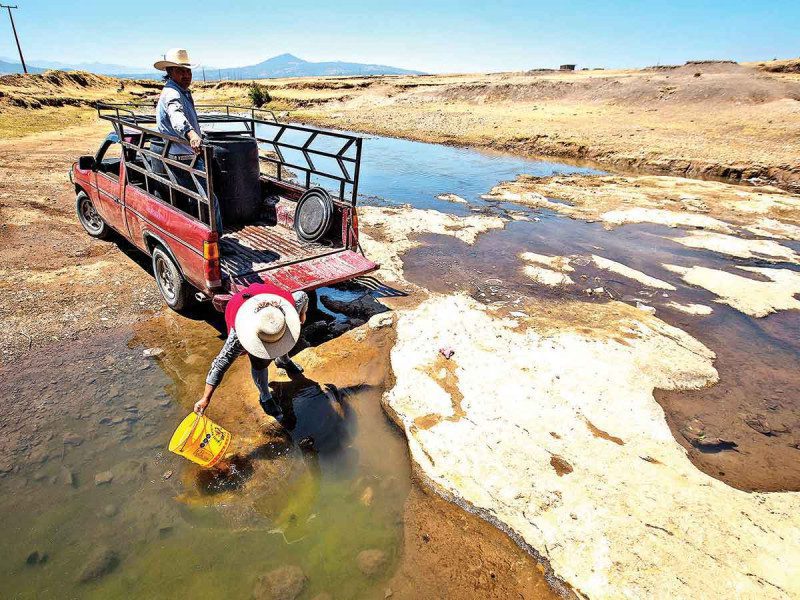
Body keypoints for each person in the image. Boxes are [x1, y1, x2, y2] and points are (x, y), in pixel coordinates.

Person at [194, 282, 309, 421]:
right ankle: (265, 396)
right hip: (240, 306)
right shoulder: (239, 337)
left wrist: (302, 314)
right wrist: (205, 398)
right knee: (259, 362)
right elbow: (220, 364)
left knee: (283, 339)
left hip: (267, 300)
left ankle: (283, 360)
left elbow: (303, 296)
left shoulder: (289, 306)